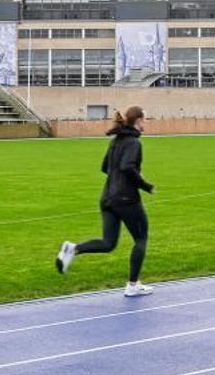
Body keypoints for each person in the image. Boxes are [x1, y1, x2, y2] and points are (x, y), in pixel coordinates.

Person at [56, 105, 155, 295]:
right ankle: (133, 285)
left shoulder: (116, 141)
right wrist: (145, 185)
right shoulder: (134, 143)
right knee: (141, 239)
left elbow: (104, 167)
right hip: (126, 199)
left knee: (109, 243)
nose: (146, 123)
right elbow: (127, 167)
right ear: (139, 120)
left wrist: (118, 178)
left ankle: (73, 249)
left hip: (107, 198)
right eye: (145, 119)